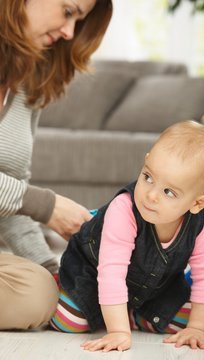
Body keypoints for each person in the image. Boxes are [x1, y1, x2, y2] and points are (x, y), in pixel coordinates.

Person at [50, 120, 204, 351]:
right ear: (145, 163)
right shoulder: (123, 210)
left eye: (168, 192)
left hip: (153, 287)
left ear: (197, 203)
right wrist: (118, 332)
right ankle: (64, 287)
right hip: (93, 275)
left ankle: (131, 313)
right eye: (148, 177)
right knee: (67, 320)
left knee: (186, 321)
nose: (151, 195)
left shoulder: (200, 220)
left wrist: (198, 329)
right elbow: (111, 272)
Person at [0, 0, 112, 330]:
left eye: (79, 21)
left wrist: (56, 276)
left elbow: (10, 207)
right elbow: (24, 200)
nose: (69, 32)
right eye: (68, 11)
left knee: (38, 293)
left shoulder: (24, 87)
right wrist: (47, 206)